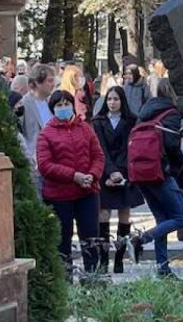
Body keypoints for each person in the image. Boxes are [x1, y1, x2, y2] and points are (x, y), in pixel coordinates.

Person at [37, 89, 104, 276]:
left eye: (66, 104)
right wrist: (74, 176)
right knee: (62, 242)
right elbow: (45, 165)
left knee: (91, 239)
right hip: (59, 196)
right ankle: (64, 282)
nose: (64, 108)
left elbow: (98, 155)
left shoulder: (85, 128)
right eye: (59, 105)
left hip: (87, 193)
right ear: (53, 109)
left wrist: (92, 175)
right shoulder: (46, 134)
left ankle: (93, 280)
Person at [128, 78, 183, 277]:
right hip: (161, 173)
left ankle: (163, 268)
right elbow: (171, 145)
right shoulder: (171, 114)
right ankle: (142, 239)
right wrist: (180, 164)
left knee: (162, 219)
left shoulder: (145, 113)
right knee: (180, 218)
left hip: (141, 174)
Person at [92, 86, 143, 274]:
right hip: (104, 173)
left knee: (124, 215)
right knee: (103, 215)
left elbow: (129, 148)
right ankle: (104, 260)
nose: (112, 103)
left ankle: (119, 259)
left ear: (122, 101)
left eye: (116, 99)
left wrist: (119, 173)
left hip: (125, 171)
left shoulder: (131, 121)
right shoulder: (97, 121)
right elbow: (100, 149)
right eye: (109, 99)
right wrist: (110, 172)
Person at [21, 64, 55, 160]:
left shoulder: (50, 103)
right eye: (50, 80)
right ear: (37, 82)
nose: (53, 84)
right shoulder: (24, 104)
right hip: (34, 160)